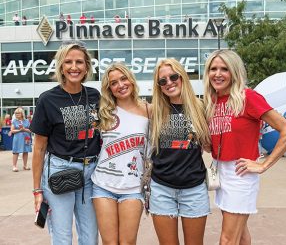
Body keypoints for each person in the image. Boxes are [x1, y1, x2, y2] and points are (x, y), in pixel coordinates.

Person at [203, 49, 286, 245]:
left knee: (227, 238)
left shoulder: (248, 97)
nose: (218, 74)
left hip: (240, 174)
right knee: (240, 233)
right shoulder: (211, 102)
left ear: (234, 72)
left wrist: (264, 164)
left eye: (224, 69)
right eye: (213, 69)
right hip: (220, 171)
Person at [30, 40, 101, 245]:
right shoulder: (48, 99)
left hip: (90, 173)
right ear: (61, 66)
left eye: (79, 62)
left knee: (90, 237)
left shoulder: (95, 96)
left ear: (87, 66)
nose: (74, 67)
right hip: (60, 171)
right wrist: (37, 191)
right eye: (68, 62)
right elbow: (39, 148)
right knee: (63, 238)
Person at [149, 58, 211, 245]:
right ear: (158, 86)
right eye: (163, 81)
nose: (169, 83)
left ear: (182, 77)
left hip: (194, 188)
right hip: (161, 188)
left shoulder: (201, 108)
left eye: (173, 76)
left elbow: (211, 143)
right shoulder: (154, 111)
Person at [91, 62, 150, 245]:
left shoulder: (150, 110)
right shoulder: (103, 112)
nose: (120, 85)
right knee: (109, 243)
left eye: (123, 79)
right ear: (109, 88)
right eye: (114, 83)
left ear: (131, 80)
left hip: (133, 187)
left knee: (127, 242)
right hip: (102, 185)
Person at [10, 107, 32, 172]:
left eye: (18, 113)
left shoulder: (27, 121)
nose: (17, 115)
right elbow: (12, 130)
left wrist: (24, 129)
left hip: (26, 138)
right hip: (17, 138)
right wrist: (20, 130)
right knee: (16, 152)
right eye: (16, 113)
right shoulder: (14, 121)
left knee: (26, 151)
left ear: (22, 113)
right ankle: (14, 166)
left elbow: (31, 130)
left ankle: (25, 166)